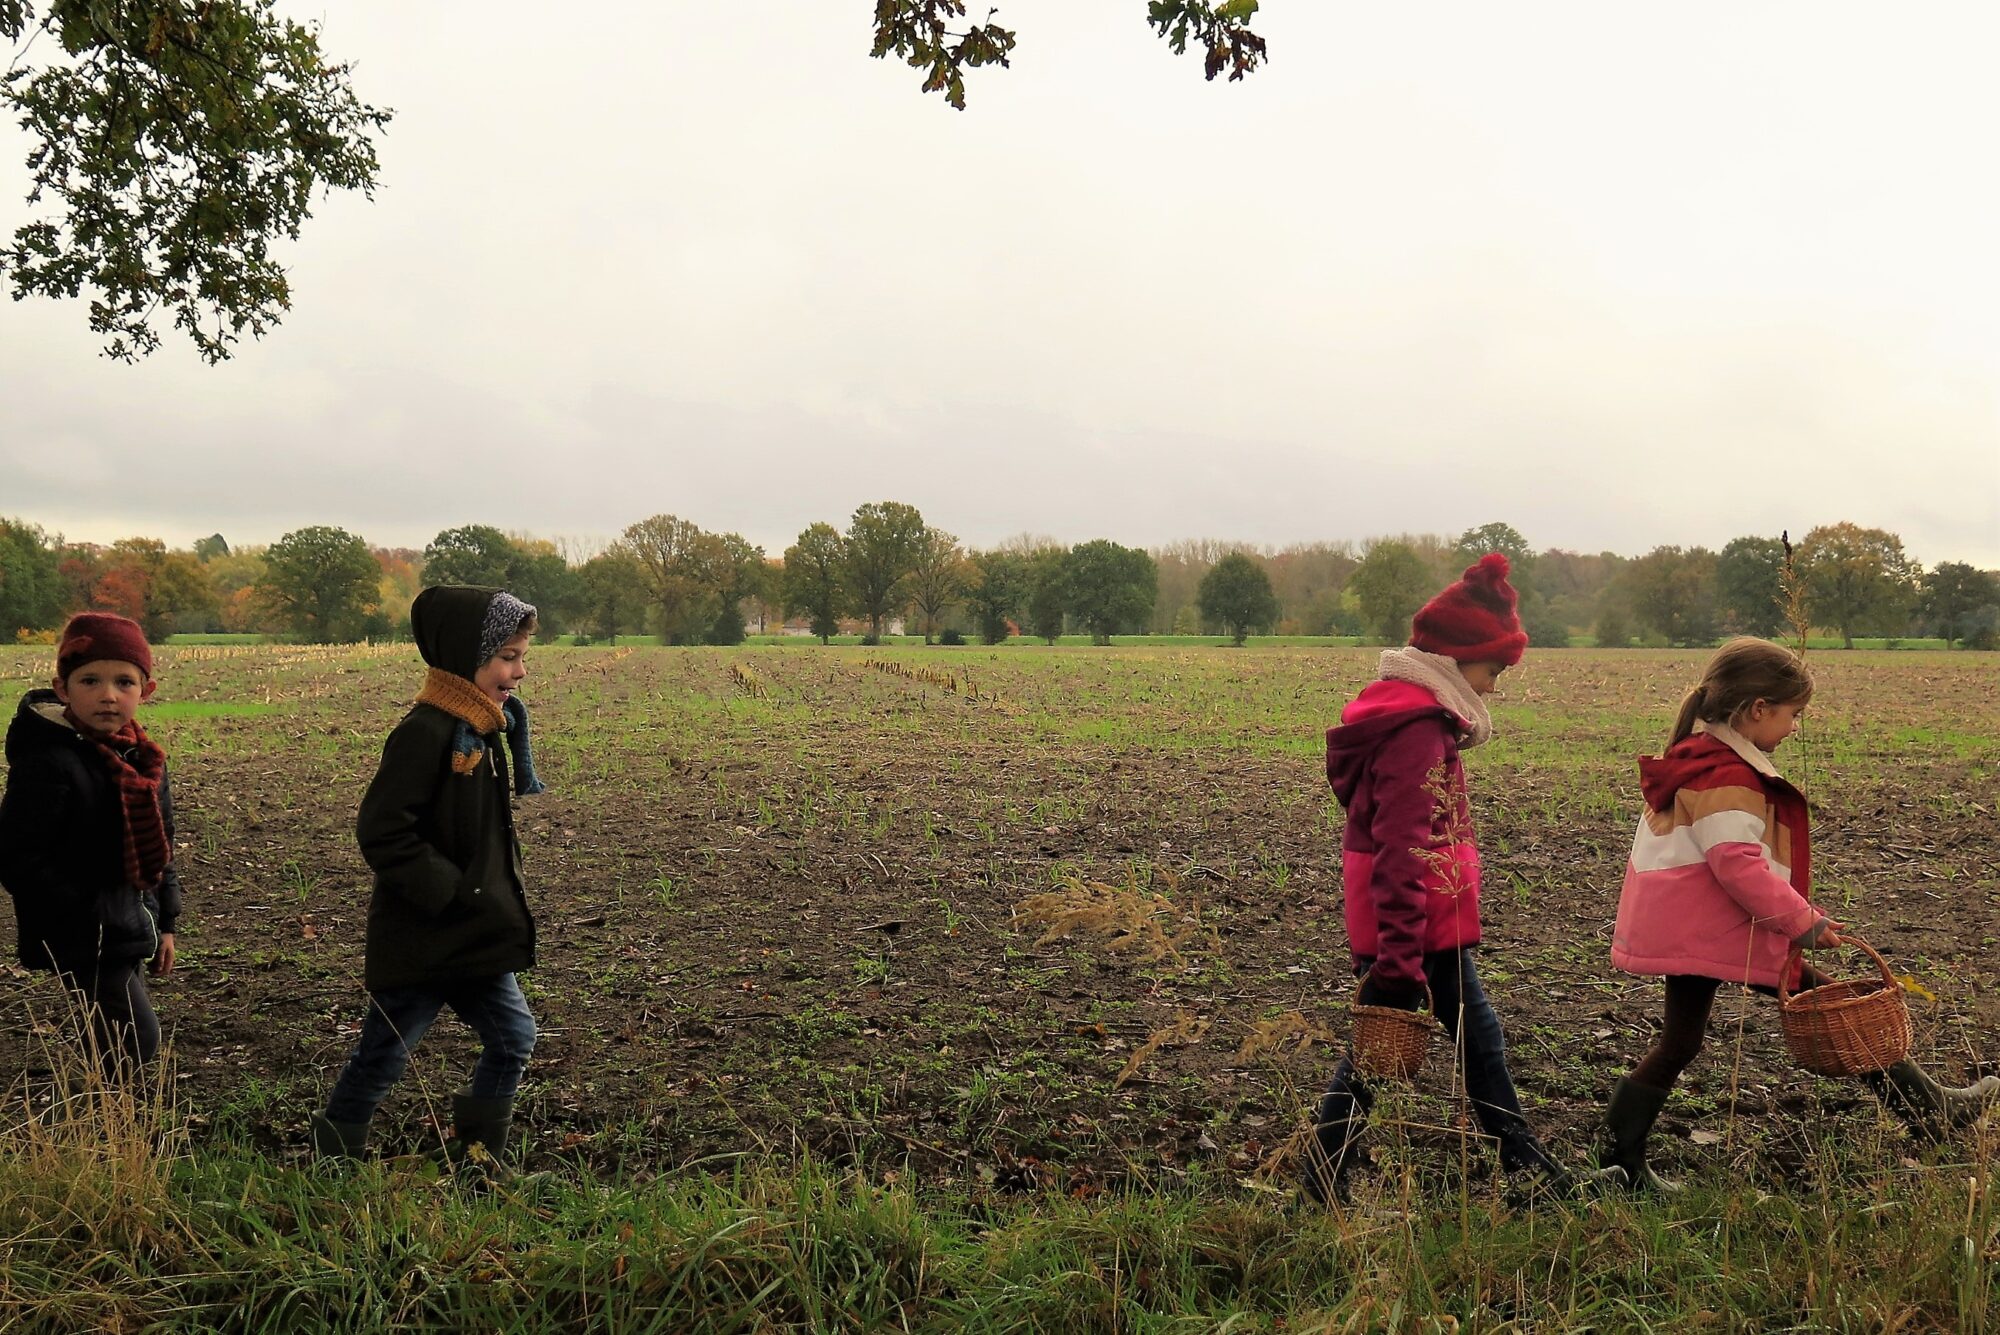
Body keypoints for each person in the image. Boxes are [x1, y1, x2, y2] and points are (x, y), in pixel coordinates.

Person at [1600, 636, 1999, 1191]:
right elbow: (1737, 864)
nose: (1794, 727)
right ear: (1758, 709)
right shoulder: (1726, 775)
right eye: (1793, 714)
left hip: (1699, 928)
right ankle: (1928, 1108)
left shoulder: (1697, 759)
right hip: (1711, 933)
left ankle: (1621, 1163)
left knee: (1686, 1041)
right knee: (1827, 1006)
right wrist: (1803, 921)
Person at [1304, 555, 1599, 1202]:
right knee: (1408, 1047)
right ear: (1457, 661)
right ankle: (1522, 1167)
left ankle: (1519, 1165)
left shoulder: (1415, 721)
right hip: (1413, 925)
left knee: (1440, 1043)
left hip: (1422, 920)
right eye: (1493, 671)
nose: (1493, 687)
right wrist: (1398, 956)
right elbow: (1403, 848)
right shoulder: (1415, 732)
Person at [311, 586, 546, 1171]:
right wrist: (453, 894)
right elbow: (384, 831)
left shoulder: (481, 729)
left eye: (521, 657)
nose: (519, 673)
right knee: (385, 1052)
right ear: (468, 656)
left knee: (513, 1038)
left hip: (472, 933)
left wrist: (480, 901)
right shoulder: (428, 732)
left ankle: (477, 1165)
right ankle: (333, 1166)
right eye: (508, 658)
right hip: (425, 935)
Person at [0, 613, 183, 1082]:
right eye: (90, 680)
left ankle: (106, 1115)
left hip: (129, 922)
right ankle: (113, 1118)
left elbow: (162, 845)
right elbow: (18, 857)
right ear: (62, 689)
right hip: (83, 933)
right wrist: (88, 909)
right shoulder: (48, 763)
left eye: (124, 682)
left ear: (146, 690)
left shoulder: (143, 760)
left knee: (112, 1036)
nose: (108, 695)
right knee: (136, 1038)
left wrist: (166, 922)